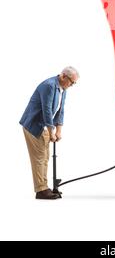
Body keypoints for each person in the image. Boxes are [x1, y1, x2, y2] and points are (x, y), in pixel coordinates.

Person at [19, 66, 79, 199]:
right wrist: (51, 131)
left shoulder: (63, 88)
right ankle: (41, 190)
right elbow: (46, 110)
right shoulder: (49, 86)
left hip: (45, 126)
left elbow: (61, 110)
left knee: (45, 157)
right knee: (40, 158)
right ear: (63, 76)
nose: (72, 85)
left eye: (74, 83)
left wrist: (58, 131)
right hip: (34, 125)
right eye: (71, 82)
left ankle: (44, 187)